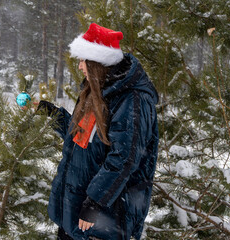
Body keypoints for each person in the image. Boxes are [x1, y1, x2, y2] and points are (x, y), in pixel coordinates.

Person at [37, 23, 159, 240]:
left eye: (83, 60)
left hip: (104, 218)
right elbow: (82, 138)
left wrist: (94, 202)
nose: (80, 66)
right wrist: (53, 114)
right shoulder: (96, 91)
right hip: (76, 210)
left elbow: (124, 158)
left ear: (97, 63)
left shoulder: (132, 99)